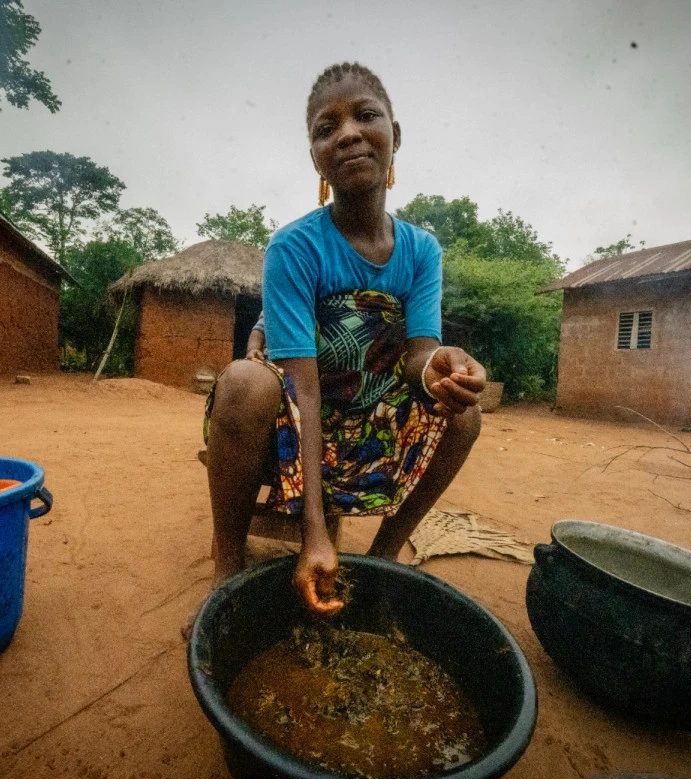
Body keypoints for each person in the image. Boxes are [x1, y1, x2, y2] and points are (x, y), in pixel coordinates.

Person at [205, 62, 486, 616]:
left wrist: (436, 368)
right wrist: (316, 533)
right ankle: (225, 572)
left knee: (465, 415)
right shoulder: (294, 248)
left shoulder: (421, 250)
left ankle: (383, 560)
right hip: (293, 428)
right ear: (315, 157)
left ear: (395, 136)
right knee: (242, 381)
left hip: (373, 428)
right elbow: (302, 391)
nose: (348, 133)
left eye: (365, 115)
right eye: (325, 128)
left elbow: (419, 354)